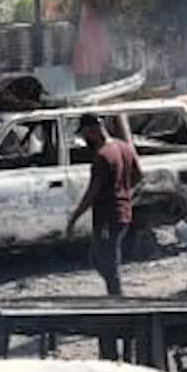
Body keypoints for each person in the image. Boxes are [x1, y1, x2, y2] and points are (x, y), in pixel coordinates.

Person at [65, 114, 143, 297]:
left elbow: (92, 192)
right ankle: (115, 292)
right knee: (97, 256)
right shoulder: (124, 147)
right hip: (121, 213)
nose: (84, 139)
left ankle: (118, 300)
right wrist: (124, 192)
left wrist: (74, 218)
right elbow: (139, 175)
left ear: (91, 130)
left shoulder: (102, 156)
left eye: (84, 134)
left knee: (108, 261)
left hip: (109, 216)